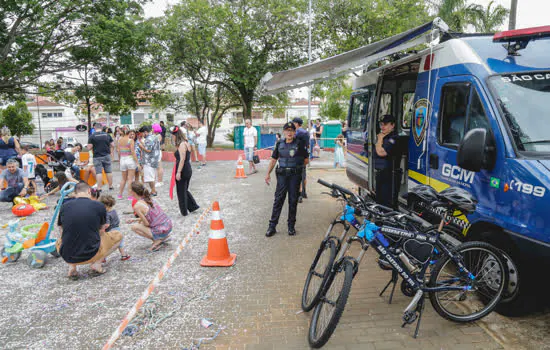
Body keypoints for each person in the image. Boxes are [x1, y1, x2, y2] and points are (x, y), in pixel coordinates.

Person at [56, 182, 122, 278]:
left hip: (67, 255)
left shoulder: (64, 206)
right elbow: (101, 230)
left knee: (60, 240)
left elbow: (61, 229)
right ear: (89, 191)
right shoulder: (99, 206)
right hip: (91, 254)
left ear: (75, 193)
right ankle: (97, 263)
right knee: (118, 235)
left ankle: (72, 267)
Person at [264, 122, 309, 237]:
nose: (289, 132)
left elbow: (306, 160)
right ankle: (272, 226)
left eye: (291, 130)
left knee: (293, 201)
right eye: (287, 130)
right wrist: (267, 173)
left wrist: (297, 166)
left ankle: (291, 227)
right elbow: (274, 160)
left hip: (294, 176)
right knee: (278, 200)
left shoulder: (300, 144)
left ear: (294, 132)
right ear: (284, 132)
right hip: (282, 176)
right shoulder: (279, 144)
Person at [128, 182, 173, 251]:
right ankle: (162, 238)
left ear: (133, 192)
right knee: (140, 223)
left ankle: (157, 240)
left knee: (134, 227)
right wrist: (135, 220)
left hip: (161, 230)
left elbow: (147, 223)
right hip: (168, 226)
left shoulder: (137, 206)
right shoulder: (148, 198)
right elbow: (151, 216)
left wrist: (139, 222)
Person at [170, 126, 199, 216]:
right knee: (184, 190)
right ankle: (193, 206)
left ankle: (184, 212)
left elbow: (182, 159)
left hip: (183, 169)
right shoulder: (186, 143)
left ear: (175, 135)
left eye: (172, 135)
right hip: (187, 168)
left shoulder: (182, 144)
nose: (172, 137)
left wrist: (178, 172)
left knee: (181, 191)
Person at [374, 114, 400, 208]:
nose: (382, 127)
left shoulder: (394, 138)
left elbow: (381, 152)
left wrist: (380, 139)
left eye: (385, 124)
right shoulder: (385, 137)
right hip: (381, 173)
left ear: (392, 125)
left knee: (387, 203)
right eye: (381, 124)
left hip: (390, 176)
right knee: (379, 200)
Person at [99, 194, 130, 261]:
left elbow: (107, 225)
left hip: (111, 231)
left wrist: (101, 227)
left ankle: (103, 258)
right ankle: (123, 255)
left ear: (105, 206)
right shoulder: (114, 211)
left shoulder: (107, 214)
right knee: (120, 244)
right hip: (117, 229)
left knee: (106, 245)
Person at [87, 122, 114, 190]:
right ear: (101, 128)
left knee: (98, 172)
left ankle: (99, 187)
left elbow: (89, 148)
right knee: (108, 171)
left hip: (97, 156)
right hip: (106, 155)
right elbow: (113, 145)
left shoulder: (92, 136)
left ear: (95, 128)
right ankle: (110, 186)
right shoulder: (107, 135)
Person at [138, 125, 159, 196]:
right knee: (151, 176)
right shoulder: (154, 137)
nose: (141, 135)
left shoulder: (149, 139)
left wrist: (141, 146)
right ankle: (153, 191)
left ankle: (153, 191)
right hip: (153, 159)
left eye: (142, 133)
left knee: (150, 177)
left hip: (149, 161)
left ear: (145, 132)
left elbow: (148, 150)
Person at [292, 117, 309, 202]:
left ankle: (299, 194)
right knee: (303, 174)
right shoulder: (306, 132)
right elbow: (308, 145)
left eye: (293, 122)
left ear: (296, 124)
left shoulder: (295, 132)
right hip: (304, 155)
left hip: (296, 155)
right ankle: (304, 192)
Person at [118, 128, 138, 200]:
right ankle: (130, 195)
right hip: (129, 159)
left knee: (123, 179)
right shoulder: (131, 140)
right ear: (128, 132)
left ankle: (120, 194)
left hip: (122, 159)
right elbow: (133, 152)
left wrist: (119, 160)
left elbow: (119, 151)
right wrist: (137, 162)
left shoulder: (120, 140)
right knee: (130, 179)